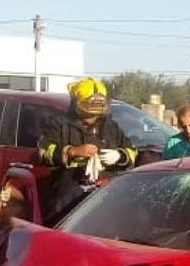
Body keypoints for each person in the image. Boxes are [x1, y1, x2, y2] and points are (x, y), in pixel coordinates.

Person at [38, 77, 137, 223]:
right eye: (88, 111)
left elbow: (131, 150)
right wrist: (72, 152)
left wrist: (120, 156)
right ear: (76, 104)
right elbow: (44, 153)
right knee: (64, 224)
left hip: (105, 189)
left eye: (96, 112)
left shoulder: (110, 126)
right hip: (70, 188)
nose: (92, 116)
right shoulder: (59, 125)